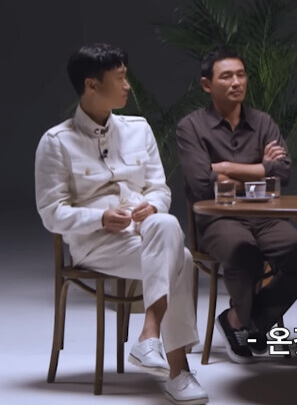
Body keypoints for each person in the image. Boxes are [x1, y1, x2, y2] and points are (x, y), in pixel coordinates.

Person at [35, 43, 207, 404]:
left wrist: (151, 204)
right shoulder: (56, 142)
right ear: (91, 85)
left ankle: (150, 337)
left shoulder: (138, 129)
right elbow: (52, 212)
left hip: (145, 235)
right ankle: (178, 371)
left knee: (165, 225)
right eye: (120, 78)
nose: (128, 85)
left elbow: (160, 188)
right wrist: (99, 217)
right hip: (96, 245)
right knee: (182, 258)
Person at [177, 47, 297, 364]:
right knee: (244, 252)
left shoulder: (262, 122)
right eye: (226, 76)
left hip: (266, 217)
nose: (236, 82)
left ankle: (239, 321)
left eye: (241, 75)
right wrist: (260, 170)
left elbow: (282, 173)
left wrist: (225, 168)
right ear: (206, 84)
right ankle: (248, 324)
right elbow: (201, 184)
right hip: (218, 220)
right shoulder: (191, 127)